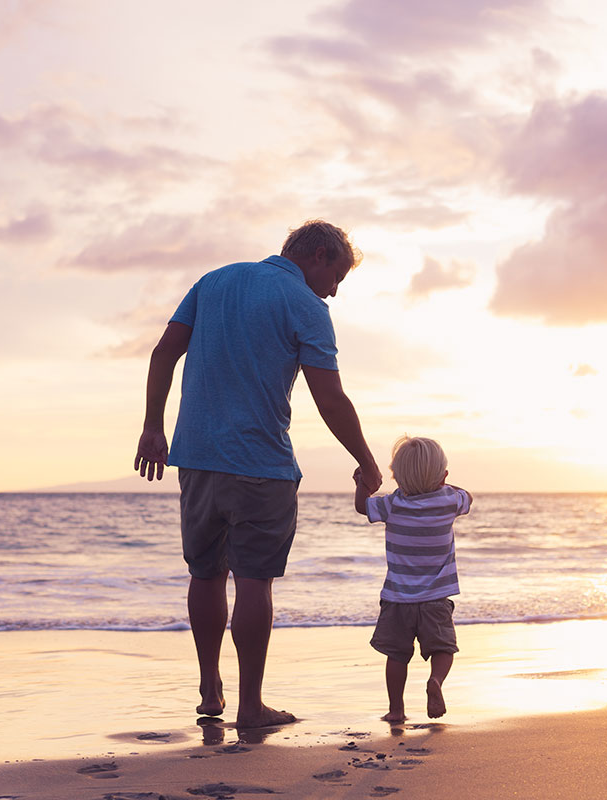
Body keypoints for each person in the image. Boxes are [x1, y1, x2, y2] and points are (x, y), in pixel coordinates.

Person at [134, 220, 382, 730]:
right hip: (261, 465)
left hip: (197, 457)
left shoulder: (214, 281)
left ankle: (209, 688)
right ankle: (250, 706)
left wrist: (152, 428)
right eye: (336, 276)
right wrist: (365, 457)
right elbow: (328, 396)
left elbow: (164, 353)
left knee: (204, 575)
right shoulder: (307, 307)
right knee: (253, 582)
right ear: (317, 255)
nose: (334, 290)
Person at [355, 435, 471, 722]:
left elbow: (362, 507)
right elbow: (468, 496)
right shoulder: (449, 501)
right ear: (443, 475)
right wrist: (445, 484)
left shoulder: (392, 504)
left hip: (397, 599)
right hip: (436, 599)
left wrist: (361, 484)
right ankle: (436, 682)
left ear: (397, 477)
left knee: (396, 655)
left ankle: (396, 710)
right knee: (443, 648)